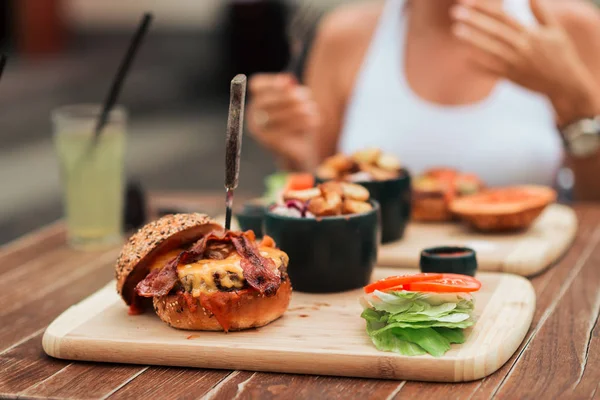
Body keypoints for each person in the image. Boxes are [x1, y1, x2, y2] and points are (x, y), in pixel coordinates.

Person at [246, 0, 600, 200]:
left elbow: (593, 202)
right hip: (385, 291)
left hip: (544, 288)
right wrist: (291, 151)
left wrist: (577, 102)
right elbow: (319, 191)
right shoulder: (346, 36)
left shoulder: (570, 28)